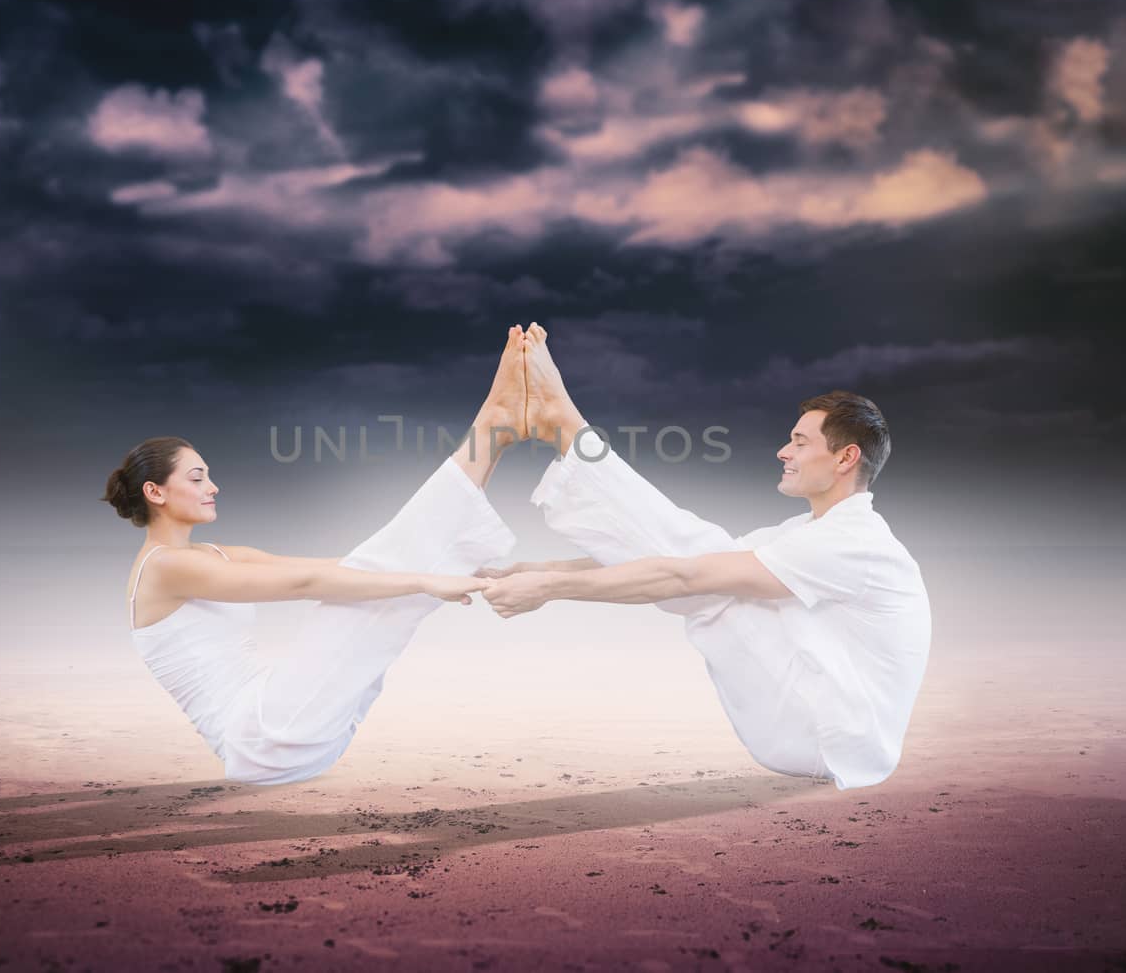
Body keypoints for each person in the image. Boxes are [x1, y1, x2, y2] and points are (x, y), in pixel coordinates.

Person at [481, 324, 930, 790]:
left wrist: (549, 590)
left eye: (799, 442)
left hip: (830, 739)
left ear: (845, 458)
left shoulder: (852, 543)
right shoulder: (809, 533)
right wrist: (538, 570)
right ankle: (571, 432)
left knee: (710, 576)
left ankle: (571, 429)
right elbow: (686, 561)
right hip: (823, 729)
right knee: (713, 558)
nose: (783, 451)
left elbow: (685, 574)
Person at [104, 328, 527, 783]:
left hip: (284, 726)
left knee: (371, 575)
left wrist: (431, 570)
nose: (213, 487)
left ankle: (496, 429)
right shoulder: (167, 567)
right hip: (264, 737)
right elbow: (303, 587)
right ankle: (494, 425)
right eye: (197, 478)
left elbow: (326, 567)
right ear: (155, 491)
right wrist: (426, 580)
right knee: (364, 595)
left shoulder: (211, 555)